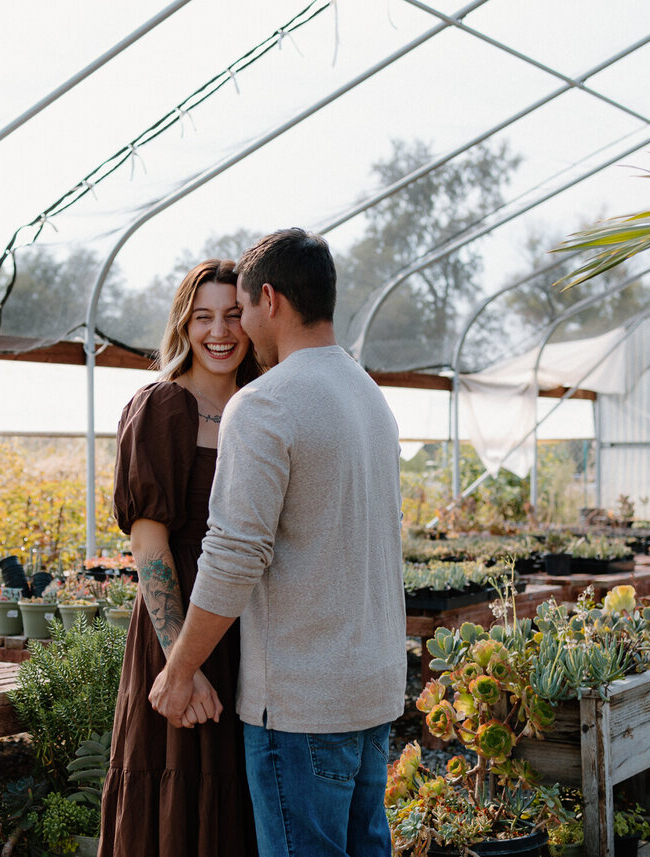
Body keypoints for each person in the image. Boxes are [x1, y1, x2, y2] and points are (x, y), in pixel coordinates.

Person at [149, 229, 407, 857]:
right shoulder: (367, 394)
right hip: (371, 691)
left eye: (241, 310)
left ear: (269, 300)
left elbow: (235, 555)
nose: (238, 329)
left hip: (302, 707)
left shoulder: (265, 404)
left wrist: (179, 670)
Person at [98, 259, 260, 857]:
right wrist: (181, 666)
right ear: (183, 326)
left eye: (234, 315)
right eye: (203, 317)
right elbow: (148, 546)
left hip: (251, 626)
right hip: (181, 624)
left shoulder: (261, 404)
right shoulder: (163, 406)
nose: (219, 332)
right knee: (180, 778)